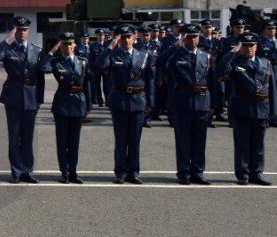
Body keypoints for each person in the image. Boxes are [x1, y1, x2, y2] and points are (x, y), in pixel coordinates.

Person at [95, 24, 154, 184]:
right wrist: (110, 47)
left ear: (134, 37)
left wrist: (151, 102)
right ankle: (120, 171)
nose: (126, 40)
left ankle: (134, 172)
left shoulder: (144, 55)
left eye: (129, 37)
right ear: (118, 38)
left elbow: (150, 80)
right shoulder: (113, 54)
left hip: (138, 100)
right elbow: (99, 66)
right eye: (123, 37)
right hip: (119, 100)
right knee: (121, 139)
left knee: (135, 139)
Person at [0, 16, 45, 183]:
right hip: (13, 96)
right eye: (18, 30)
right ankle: (17, 171)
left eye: (24, 30)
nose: (21, 33)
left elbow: (40, 77)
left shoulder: (36, 50)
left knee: (28, 137)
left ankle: (28, 171)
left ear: (28, 31)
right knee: (14, 138)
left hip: (31, 97)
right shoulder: (8, 49)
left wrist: (40, 99)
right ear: (14, 31)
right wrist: (6, 40)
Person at [217, 32, 276, 185]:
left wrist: (273, 111)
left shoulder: (266, 63)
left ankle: (257, 173)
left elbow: (272, 88)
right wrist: (233, 51)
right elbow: (221, 68)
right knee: (242, 144)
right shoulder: (235, 62)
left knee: (258, 145)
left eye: (252, 45)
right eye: (245, 46)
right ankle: (243, 173)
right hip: (242, 108)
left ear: (256, 47)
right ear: (241, 47)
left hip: (261, 108)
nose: (249, 48)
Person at [160, 23, 215, 184]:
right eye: (189, 37)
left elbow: (213, 83)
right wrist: (175, 46)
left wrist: (214, 105)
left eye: (195, 37)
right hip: (182, 102)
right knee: (183, 140)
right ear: (184, 38)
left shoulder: (206, 56)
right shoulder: (175, 55)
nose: (192, 40)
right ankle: (184, 171)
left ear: (199, 38)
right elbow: (160, 61)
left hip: (202, 102)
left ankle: (198, 172)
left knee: (200, 140)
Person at [38, 31, 92, 183]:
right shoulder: (56, 62)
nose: (68, 47)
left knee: (74, 141)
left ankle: (73, 171)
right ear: (60, 46)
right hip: (62, 103)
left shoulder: (83, 62)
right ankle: (64, 172)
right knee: (62, 141)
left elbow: (88, 85)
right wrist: (51, 52)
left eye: (70, 44)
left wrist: (89, 106)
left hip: (79, 103)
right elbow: (42, 68)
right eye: (64, 44)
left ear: (74, 45)